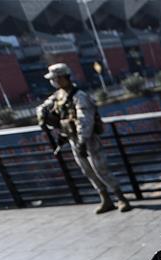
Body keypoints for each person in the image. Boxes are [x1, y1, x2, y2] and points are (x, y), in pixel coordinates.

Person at [36, 63, 131, 214]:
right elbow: (45, 107)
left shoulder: (79, 96)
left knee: (101, 169)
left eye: (55, 78)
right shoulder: (59, 96)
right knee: (88, 171)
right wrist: (42, 115)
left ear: (62, 77)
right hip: (73, 139)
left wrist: (82, 141)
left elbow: (85, 121)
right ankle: (105, 199)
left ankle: (121, 198)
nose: (53, 81)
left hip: (88, 140)